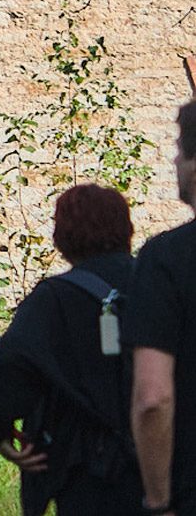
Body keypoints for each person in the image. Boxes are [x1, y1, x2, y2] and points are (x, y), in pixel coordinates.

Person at [0, 183, 141, 515]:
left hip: (85, 469)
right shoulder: (157, 282)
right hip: (168, 455)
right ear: (127, 229)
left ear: (62, 237)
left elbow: (6, 371)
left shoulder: (52, 299)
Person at [128, 102, 196, 516]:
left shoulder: (166, 259)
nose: (172, 160)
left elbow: (153, 397)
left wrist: (158, 501)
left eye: (179, 149)